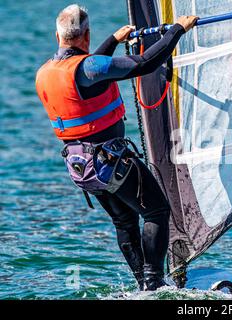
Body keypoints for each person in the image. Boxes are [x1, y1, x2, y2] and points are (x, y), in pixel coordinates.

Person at [35, 4, 198, 291]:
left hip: (82, 167)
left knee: (124, 222)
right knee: (156, 212)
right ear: (86, 35)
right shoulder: (88, 67)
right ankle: (153, 284)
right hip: (111, 161)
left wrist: (113, 40)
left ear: (56, 36)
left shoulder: (46, 72)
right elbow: (144, 63)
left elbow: (88, 72)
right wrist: (177, 30)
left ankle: (142, 285)